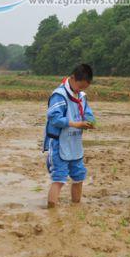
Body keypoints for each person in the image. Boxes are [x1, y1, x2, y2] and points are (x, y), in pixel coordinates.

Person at [43, 64, 95, 208]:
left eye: (84, 88)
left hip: (75, 144)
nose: (80, 90)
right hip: (59, 143)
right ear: (72, 78)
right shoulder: (59, 95)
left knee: (79, 177)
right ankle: (51, 211)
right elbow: (54, 118)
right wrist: (75, 124)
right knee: (59, 178)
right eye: (79, 86)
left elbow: (87, 112)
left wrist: (90, 121)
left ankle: (76, 207)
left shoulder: (82, 96)